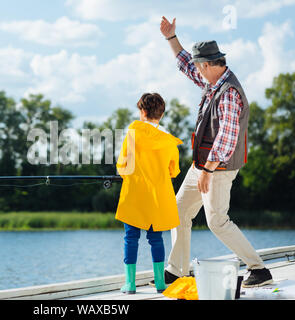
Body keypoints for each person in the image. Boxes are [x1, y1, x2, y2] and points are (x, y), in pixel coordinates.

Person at [158, 16, 273, 288]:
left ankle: (258, 269)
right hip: (203, 164)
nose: (195, 71)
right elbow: (186, 63)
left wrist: (207, 171)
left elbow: (227, 137)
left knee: (217, 222)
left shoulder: (229, 92)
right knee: (179, 209)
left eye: (200, 67)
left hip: (218, 167)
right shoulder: (212, 83)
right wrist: (171, 38)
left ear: (208, 65)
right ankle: (177, 271)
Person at [115, 93, 183, 294]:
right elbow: (174, 171)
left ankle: (130, 284)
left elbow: (122, 165)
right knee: (156, 239)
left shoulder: (133, 134)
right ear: (161, 114)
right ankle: (161, 283)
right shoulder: (169, 141)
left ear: (143, 112)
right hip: (158, 198)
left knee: (131, 238)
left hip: (135, 196)